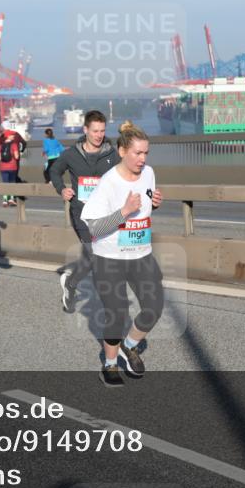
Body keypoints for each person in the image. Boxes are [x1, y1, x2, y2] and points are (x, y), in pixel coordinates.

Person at [81, 121, 163, 387]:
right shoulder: (109, 183)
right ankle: (110, 362)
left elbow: (146, 206)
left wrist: (155, 203)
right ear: (121, 151)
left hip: (141, 254)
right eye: (137, 153)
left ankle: (129, 346)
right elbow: (93, 228)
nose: (142, 159)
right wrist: (124, 212)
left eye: (145, 153)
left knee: (153, 308)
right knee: (116, 313)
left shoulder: (149, 173)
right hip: (110, 258)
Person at [48, 110, 117, 312]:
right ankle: (75, 286)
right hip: (81, 213)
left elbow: (126, 175)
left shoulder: (112, 154)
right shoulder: (71, 154)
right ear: (85, 129)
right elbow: (54, 171)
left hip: (106, 215)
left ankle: (71, 282)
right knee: (94, 255)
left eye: (102, 131)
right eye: (95, 131)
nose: (99, 135)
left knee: (100, 258)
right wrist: (62, 188)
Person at [0, 127, 26, 206]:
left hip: (3, 167)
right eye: (12, 135)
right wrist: (19, 153)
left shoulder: (0, 146)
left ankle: (5, 200)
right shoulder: (14, 145)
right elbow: (16, 157)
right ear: (8, 136)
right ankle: (12, 199)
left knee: (5, 183)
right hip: (12, 167)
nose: (13, 136)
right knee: (12, 182)